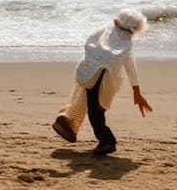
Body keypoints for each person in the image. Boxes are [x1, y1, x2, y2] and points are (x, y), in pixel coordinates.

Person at [52, 8, 153, 156]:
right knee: (92, 109)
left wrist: (137, 93)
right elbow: (89, 43)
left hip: (105, 81)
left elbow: (131, 68)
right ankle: (71, 122)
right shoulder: (107, 31)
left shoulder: (126, 45)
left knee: (95, 112)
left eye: (119, 20)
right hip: (92, 74)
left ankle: (107, 142)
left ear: (124, 26)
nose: (115, 21)